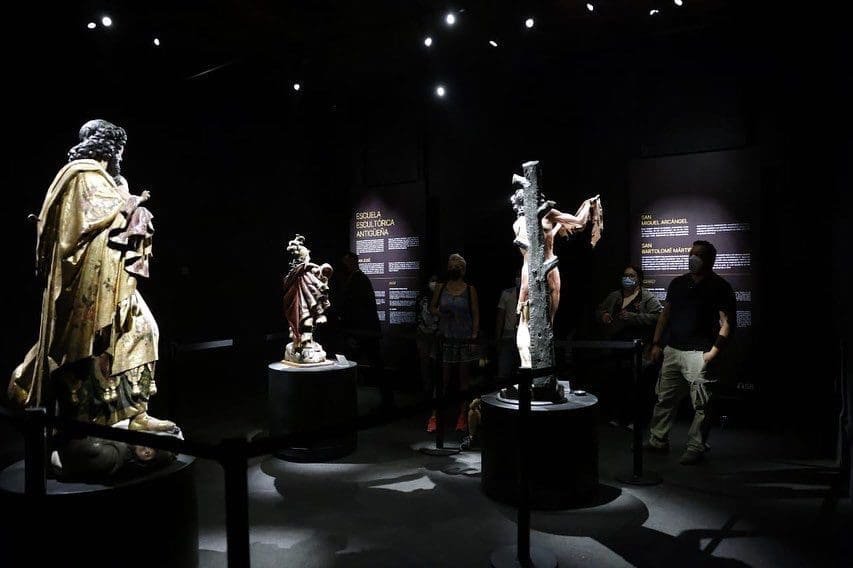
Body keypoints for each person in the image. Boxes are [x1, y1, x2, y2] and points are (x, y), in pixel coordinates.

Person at [9, 119, 177, 437]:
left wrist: (128, 203)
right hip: (89, 281)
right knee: (93, 348)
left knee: (143, 331)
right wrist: (132, 206)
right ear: (109, 148)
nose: (121, 157)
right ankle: (87, 421)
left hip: (113, 277)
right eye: (120, 150)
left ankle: (135, 412)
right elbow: (88, 225)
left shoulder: (101, 180)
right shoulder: (83, 176)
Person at [644, 240, 736, 465]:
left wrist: (713, 353)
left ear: (710, 260)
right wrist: (657, 343)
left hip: (700, 353)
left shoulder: (720, 287)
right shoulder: (678, 283)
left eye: (699, 254)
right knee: (664, 398)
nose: (693, 258)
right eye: (691, 253)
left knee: (702, 405)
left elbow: (726, 323)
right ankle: (658, 440)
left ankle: (696, 446)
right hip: (673, 350)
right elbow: (665, 315)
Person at [595, 265, 663, 428]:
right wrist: (603, 315)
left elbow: (657, 317)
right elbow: (599, 310)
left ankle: (636, 419)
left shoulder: (646, 297)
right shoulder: (614, 296)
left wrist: (633, 317)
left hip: (637, 349)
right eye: (626, 275)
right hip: (616, 348)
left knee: (637, 384)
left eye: (632, 276)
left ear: (639, 279)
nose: (628, 278)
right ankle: (619, 416)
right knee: (618, 383)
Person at [428, 253, 480, 432]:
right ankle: (435, 415)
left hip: (463, 338)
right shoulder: (441, 287)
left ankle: (462, 415)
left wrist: (474, 336)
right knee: (442, 380)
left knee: (463, 380)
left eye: (457, 265)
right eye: (452, 265)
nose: (454, 267)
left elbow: (475, 314)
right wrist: (441, 313)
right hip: (446, 338)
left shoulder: (469, 289)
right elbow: (432, 307)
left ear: (463, 269)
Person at [335, 251, 389, 407]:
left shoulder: (359, 280)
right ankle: (386, 399)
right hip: (364, 331)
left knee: (374, 364)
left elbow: (358, 308)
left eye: (346, 262)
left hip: (363, 331)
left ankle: (386, 400)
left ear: (353, 262)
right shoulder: (357, 279)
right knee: (374, 364)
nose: (344, 265)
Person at [415, 274, 440, 398]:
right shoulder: (421, 297)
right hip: (423, 334)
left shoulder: (442, 297)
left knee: (436, 363)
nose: (433, 283)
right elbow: (417, 314)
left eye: (436, 281)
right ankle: (427, 389)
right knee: (424, 363)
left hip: (437, 335)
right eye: (432, 281)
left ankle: (436, 388)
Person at [495, 277, 521, 381]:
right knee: (504, 367)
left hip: (525, 335)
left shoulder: (531, 294)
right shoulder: (507, 293)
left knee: (522, 367)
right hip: (508, 334)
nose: (519, 278)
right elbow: (500, 317)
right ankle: (503, 385)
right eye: (517, 276)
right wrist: (498, 338)